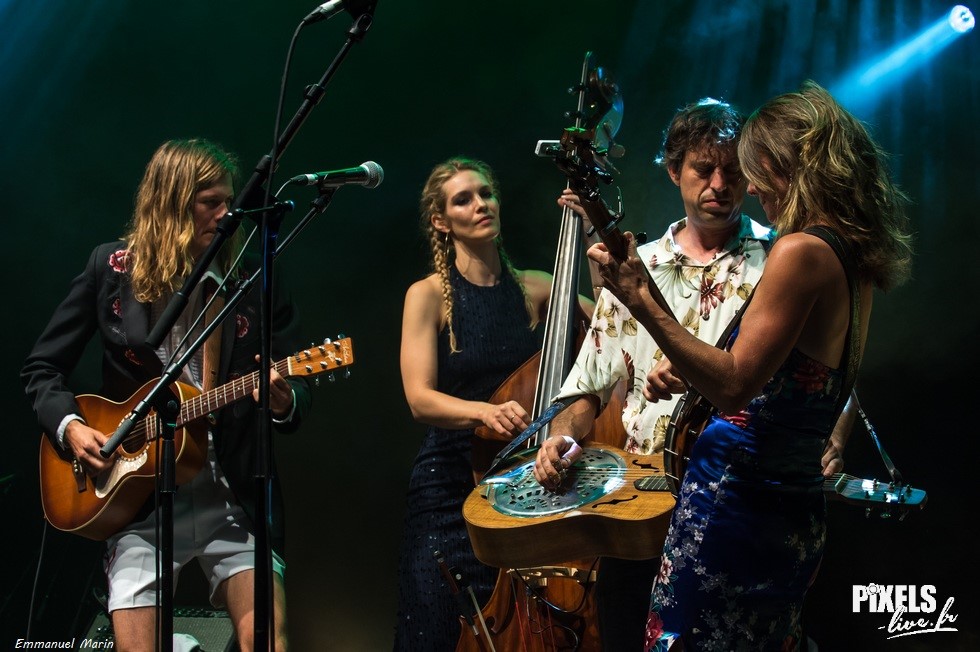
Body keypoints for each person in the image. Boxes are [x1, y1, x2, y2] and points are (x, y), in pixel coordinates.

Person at [548, 81, 913, 650]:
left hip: (731, 502)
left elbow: (737, 384)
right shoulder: (849, 256)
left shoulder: (793, 251)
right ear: (675, 171)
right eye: (706, 169)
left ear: (790, 167)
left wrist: (643, 301)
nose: (745, 187)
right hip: (738, 510)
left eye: (749, 172)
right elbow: (803, 380)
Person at [22, 138, 312, 651]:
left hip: (231, 492)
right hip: (138, 499)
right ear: (171, 205)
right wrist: (71, 428)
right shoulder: (110, 269)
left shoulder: (253, 276)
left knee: (267, 639)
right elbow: (42, 368)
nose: (226, 214)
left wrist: (285, 400)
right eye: (211, 203)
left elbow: (297, 381)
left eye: (230, 202)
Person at [393, 157, 592, 651]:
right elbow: (419, 398)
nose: (480, 204)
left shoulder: (536, 287)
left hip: (519, 483)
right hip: (448, 486)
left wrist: (590, 231)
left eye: (486, 193)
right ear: (441, 221)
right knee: (437, 626)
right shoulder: (427, 295)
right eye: (463, 200)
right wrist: (483, 411)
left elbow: (611, 323)